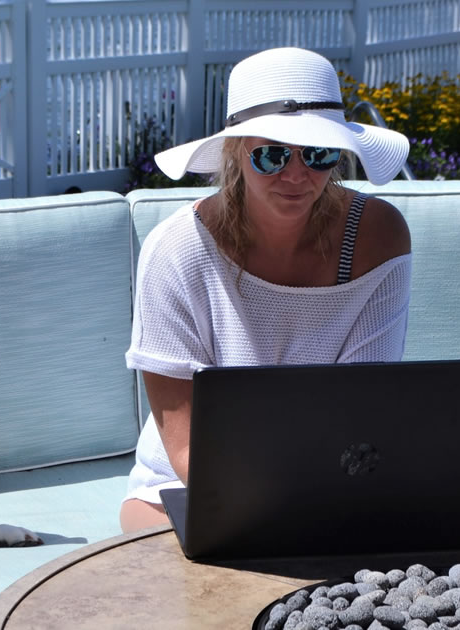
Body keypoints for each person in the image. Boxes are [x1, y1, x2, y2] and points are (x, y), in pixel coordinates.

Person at [119, 47, 414, 533]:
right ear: (236, 152)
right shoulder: (176, 249)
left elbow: (362, 412)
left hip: (330, 482)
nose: (296, 175)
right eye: (272, 155)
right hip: (185, 487)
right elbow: (186, 448)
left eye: (318, 154)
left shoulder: (377, 237)